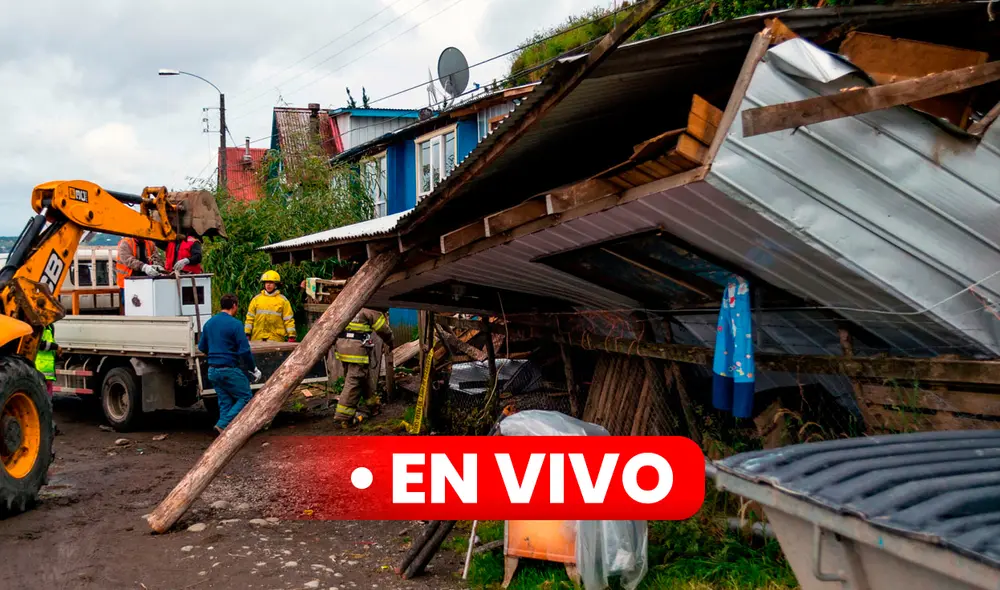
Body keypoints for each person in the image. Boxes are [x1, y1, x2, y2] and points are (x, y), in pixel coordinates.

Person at [199, 294, 262, 433]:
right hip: (229, 369)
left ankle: (225, 433)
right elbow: (245, 350)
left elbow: (201, 347)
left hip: (213, 371)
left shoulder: (209, 323)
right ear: (234, 305)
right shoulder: (235, 324)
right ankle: (222, 424)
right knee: (245, 397)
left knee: (225, 401)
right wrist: (253, 369)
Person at [333, 308, 393, 426]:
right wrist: (390, 341)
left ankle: (373, 406)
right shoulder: (371, 309)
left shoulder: (347, 305)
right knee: (354, 381)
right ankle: (343, 416)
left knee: (363, 377)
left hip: (342, 347)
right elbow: (383, 329)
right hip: (357, 350)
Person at [244, 270, 296, 342]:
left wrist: (291, 335)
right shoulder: (256, 299)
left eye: (271, 282)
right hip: (257, 338)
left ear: (276, 284)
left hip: (275, 339)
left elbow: (288, 319)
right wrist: (247, 333)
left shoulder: (283, 301)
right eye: (266, 282)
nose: (268, 285)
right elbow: (250, 318)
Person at [116, 236, 164, 312]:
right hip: (129, 281)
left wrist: (158, 265)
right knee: (130, 306)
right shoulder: (126, 242)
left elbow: (156, 257)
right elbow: (128, 259)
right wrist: (143, 266)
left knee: (146, 305)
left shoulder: (150, 243)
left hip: (146, 281)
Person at [35, 324, 57, 396]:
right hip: (40, 366)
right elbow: (39, 344)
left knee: (47, 393)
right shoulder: (38, 326)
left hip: (48, 368)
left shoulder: (50, 327)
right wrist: (55, 346)